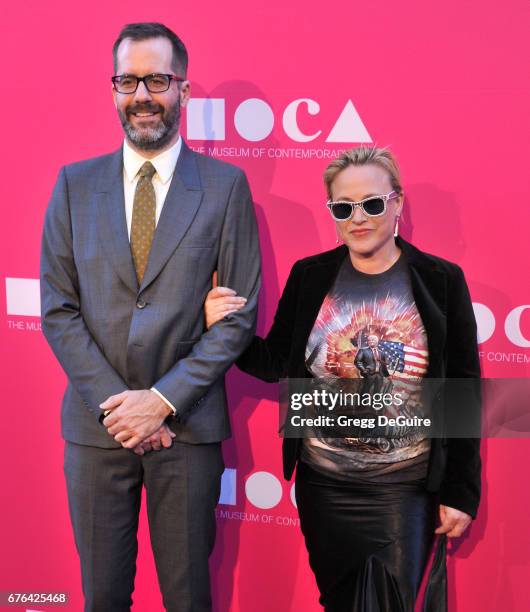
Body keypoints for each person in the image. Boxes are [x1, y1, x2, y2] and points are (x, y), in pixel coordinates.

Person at [40, 22, 260, 612]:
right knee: (101, 597)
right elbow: (58, 311)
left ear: (184, 90)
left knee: (189, 598)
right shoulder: (72, 186)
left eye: (158, 79)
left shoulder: (225, 188)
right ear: (112, 90)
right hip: (97, 429)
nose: (142, 94)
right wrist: (123, 408)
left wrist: (161, 400)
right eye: (128, 80)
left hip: (186, 431)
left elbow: (239, 319)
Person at [205, 146, 481, 611]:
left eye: (372, 204)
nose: (359, 218)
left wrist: (460, 492)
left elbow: (462, 390)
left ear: (397, 202)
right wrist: (226, 329)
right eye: (343, 207)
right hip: (324, 486)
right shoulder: (310, 276)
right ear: (331, 210)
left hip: (403, 486)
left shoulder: (440, 279)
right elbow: (276, 361)